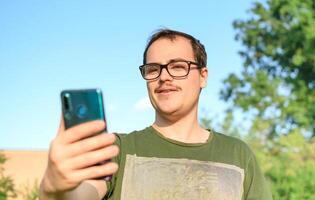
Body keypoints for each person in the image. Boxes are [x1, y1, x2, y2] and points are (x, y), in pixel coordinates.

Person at [39, 29, 272, 200]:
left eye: (178, 66)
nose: (164, 77)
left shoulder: (238, 155)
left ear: (203, 76)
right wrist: (54, 188)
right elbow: (81, 195)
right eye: (153, 69)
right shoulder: (117, 150)